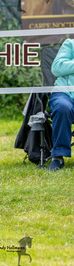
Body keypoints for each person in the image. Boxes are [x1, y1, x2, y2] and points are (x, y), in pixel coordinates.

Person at [47, 38, 74, 171]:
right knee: (63, 108)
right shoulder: (70, 44)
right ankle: (58, 157)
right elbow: (57, 68)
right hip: (64, 93)